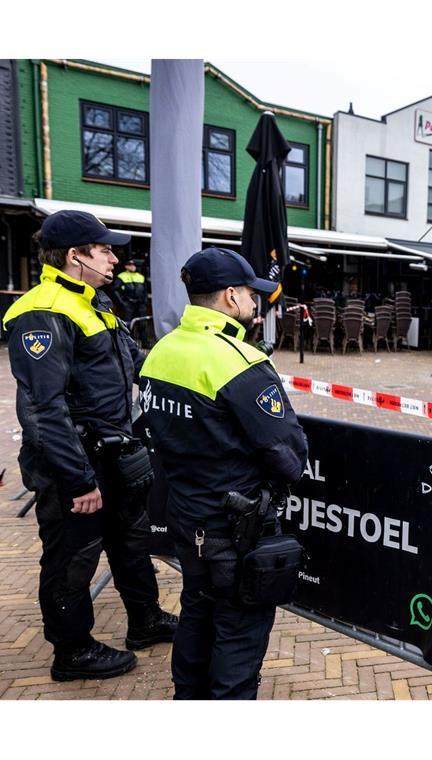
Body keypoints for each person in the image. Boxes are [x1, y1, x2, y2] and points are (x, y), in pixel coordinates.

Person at [2, 210, 177, 682]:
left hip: (114, 454)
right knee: (73, 556)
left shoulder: (94, 302)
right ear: (75, 256)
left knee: (131, 540)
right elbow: (43, 409)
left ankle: (145, 620)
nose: (114, 257)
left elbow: (128, 364)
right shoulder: (42, 311)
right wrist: (77, 479)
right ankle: (72, 651)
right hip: (74, 464)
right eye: (104, 249)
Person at [140, 247, 307, 699]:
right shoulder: (239, 361)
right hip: (235, 528)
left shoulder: (161, 350)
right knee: (239, 629)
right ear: (231, 297)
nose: (258, 304)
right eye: (253, 294)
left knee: (196, 610)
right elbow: (290, 455)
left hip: (185, 515)